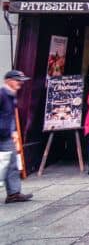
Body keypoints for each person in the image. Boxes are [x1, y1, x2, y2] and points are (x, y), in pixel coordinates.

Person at [1, 70, 32, 203]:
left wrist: (13, 131)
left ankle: (13, 194)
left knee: (12, 162)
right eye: (17, 80)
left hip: (6, 135)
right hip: (2, 134)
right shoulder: (2, 94)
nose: (20, 83)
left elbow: (10, 116)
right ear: (8, 80)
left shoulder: (11, 95)